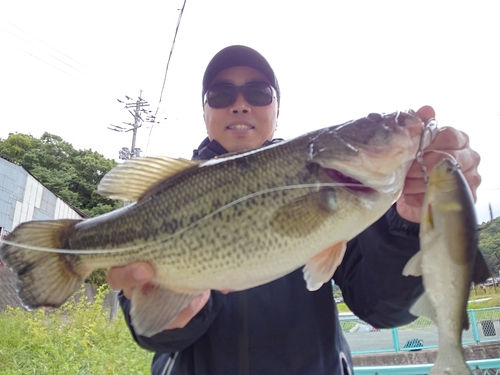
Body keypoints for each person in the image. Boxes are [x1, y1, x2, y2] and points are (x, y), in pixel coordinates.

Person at [107, 45, 481, 375]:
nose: (241, 103)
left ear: (276, 110)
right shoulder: (163, 199)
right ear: (204, 112)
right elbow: (153, 330)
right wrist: (169, 317)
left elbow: (382, 309)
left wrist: (409, 226)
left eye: (258, 92)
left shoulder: (343, 191)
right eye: (221, 94)